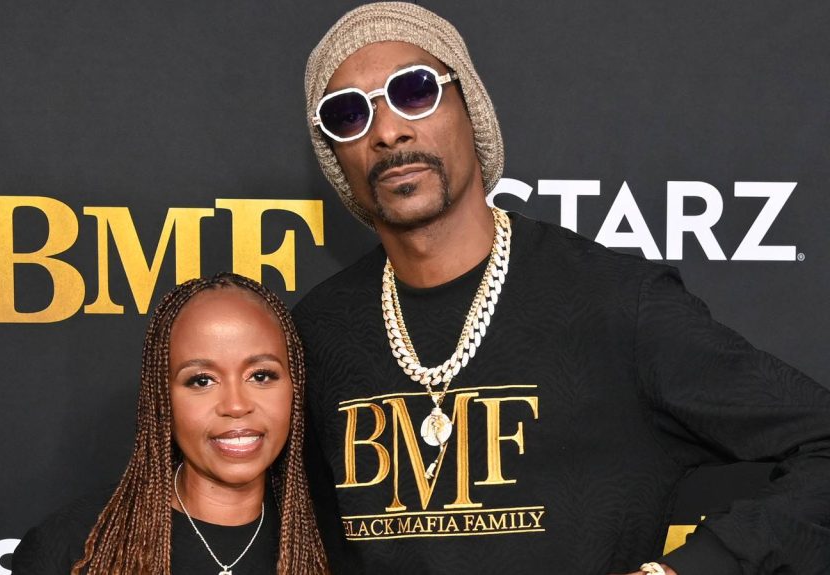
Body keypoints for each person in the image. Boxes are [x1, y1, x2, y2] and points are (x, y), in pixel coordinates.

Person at [292, 3, 830, 575]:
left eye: (415, 91)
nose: (387, 131)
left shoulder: (616, 304)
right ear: (336, 157)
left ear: (471, 109)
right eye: (347, 114)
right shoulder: (316, 333)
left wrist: (691, 568)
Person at [12, 273, 329, 574]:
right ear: (162, 399)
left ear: (295, 386)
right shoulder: (72, 547)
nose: (236, 405)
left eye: (261, 376)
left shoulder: (332, 544)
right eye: (201, 380)